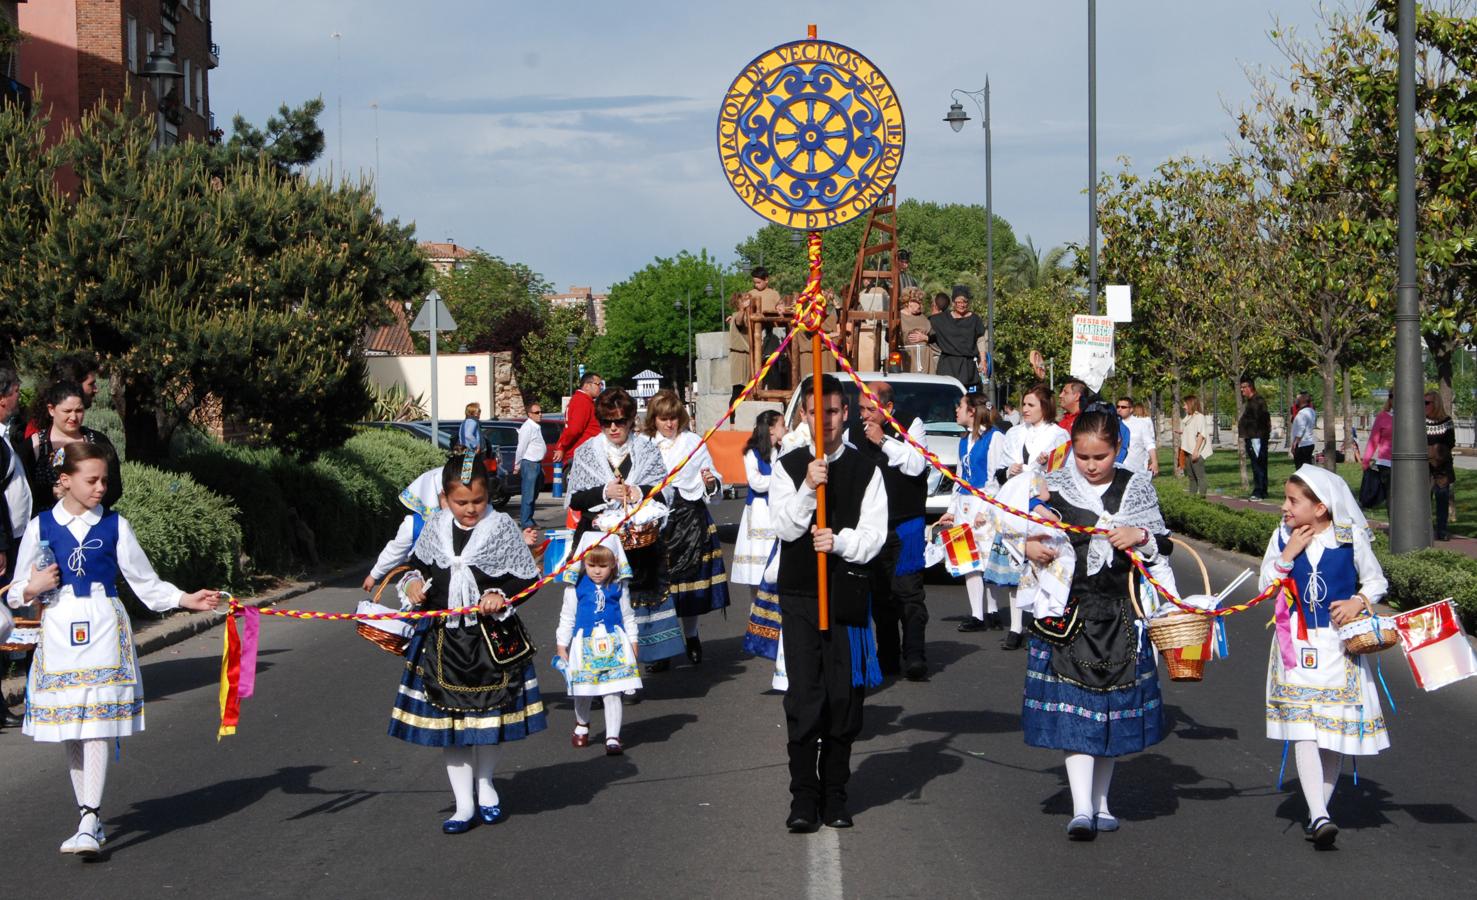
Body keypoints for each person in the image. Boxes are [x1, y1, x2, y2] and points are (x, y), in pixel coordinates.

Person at [7, 443, 221, 856]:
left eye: (104, 479)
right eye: (92, 480)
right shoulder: (40, 527)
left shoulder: (116, 525)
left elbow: (146, 582)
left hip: (104, 626)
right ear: (65, 481)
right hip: (59, 628)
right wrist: (33, 587)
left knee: (97, 724)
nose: (101, 487)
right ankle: (89, 817)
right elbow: (16, 591)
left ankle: (89, 816)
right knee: (72, 726)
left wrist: (184, 599)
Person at [1021, 410, 1176, 840]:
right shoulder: (1055, 488)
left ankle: (1103, 802)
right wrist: (1033, 545)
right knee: (1079, 714)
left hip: (1122, 614)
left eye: (1101, 456)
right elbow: (1028, 532)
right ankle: (1081, 807)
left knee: (1110, 713)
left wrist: (1139, 537)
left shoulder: (1136, 488)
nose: (1091, 465)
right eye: (1083, 455)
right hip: (1069, 613)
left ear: (1118, 451)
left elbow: (1162, 543)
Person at [389, 451, 544, 834]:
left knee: (488, 720)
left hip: (490, 640)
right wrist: (410, 584)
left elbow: (525, 578)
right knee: (451, 727)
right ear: (445, 499)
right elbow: (418, 568)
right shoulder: (435, 526)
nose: (471, 509)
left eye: (478, 501)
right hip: (443, 643)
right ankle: (462, 805)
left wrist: (499, 595)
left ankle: (487, 785)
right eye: (461, 502)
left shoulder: (502, 528)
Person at [770, 375, 887, 832]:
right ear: (804, 414)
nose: (827, 422)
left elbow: (875, 537)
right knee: (805, 698)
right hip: (801, 593)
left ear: (846, 415)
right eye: (818, 413)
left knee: (843, 699)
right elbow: (784, 528)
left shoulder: (866, 469)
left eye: (835, 412)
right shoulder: (789, 464)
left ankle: (836, 793)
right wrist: (806, 486)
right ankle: (804, 796)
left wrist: (839, 542)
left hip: (846, 595)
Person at [1260, 465, 1390, 849]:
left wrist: (1358, 601)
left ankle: (1320, 811)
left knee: (1331, 733)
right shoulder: (1283, 535)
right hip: (1295, 646)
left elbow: (1377, 580)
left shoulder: (1349, 538)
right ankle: (1319, 816)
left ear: (1320, 507)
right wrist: (1287, 554)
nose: (1284, 507)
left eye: (1292, 500)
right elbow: (1265, 585)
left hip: (1337, 647)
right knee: (1303, 729)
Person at [565, 388, 680, 671]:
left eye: (619, 421)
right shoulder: (587, 453)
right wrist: (606, 492)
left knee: (638, 597)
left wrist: (638, 491)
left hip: (640, 542)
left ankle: (646, 657)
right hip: (598, 541)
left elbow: (665, 492)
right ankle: (602, 664)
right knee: (601, 600)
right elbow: (575, 499)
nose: (613, 428)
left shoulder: (646, 449)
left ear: (631, 420)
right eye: (606, 422)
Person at [852, 381, 930, 681]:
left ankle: (915, 656)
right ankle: (887, 656)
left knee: (909, 594)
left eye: (871, 409)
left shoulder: (912, 424)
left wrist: (884, 440)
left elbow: (916, 465)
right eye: (861, 408)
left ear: (888, 408)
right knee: (881, 595)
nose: (865, 416)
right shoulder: (853, 432)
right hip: (874, 526)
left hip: (906, 522)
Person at [644, 390, 728, 665]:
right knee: (659, 589)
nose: (669, 424)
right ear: (654, 419)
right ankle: (662, 647)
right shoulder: (644, 445)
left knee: (688, 586)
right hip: (656, 522)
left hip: (690, 518)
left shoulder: (693, 442)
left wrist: (710, 481)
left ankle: (691, 636)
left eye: (673, 418)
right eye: (663, 419)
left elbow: (712, 474)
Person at [991, 384, 1071, 649]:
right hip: (1016, 506)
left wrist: (1046, 466)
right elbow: (999, 471)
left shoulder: (1058, 435)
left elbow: (1062, 475)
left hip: (1042, 507)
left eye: (1030, 405)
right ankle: (1015, 627)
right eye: (1023, 405)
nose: (1024, 410)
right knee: (1017, 563)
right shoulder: (1014, 433)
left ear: (1045, 407)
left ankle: (1042, 620)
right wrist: (1009, 471)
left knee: (1043, 563)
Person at [556, 541, 641, 755]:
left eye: (603, 566)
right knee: (583, 690)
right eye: (592, 565)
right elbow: (567, 617)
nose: (596, 571)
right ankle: (582, 724)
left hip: (615, 643)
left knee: (613, 691)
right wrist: (561, 645)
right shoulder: (574, 588)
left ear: (613, 565)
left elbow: (628, 615)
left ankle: (613, 736)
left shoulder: (620, 586)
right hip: (584, 644)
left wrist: (633, 641)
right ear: (584, 563)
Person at [941, 394, 1005, 634]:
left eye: (960, 406)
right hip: (964, 506)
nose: (956, 410)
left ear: (972, 411)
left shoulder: (994, 437)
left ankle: (993, 609)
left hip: (982, 503)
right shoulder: (963, 440)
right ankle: (977, 614)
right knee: (968, 560)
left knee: (987, 559)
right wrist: (951, 509)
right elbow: (959, 477)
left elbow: (995, 478)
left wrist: (986, 509)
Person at [19, 381, 123, 512]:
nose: (73, 417)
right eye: (67, 411)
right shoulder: (35, 445)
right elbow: (23, 490)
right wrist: (51, 493)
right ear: (51, 410)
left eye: (79, 410)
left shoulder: (98, 441)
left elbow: (115, 487)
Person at [735, 411, 785, 586]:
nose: (786, 429)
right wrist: (780, 480)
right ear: (771, 429)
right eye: (783, 425)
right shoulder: (752, 453)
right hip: (759, 513)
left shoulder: (782, 450)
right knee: (758, 570)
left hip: (778, 511)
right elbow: (756, 482)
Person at [927, 286, 987, 391]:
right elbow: (926, 327)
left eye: (964, 302)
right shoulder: (942, 319)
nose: (961, 305)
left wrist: (983, 361)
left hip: (967, 365)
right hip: (948, 364)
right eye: (958, 302)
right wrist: (924, 337)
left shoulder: (975, 319)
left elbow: (980, 340)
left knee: (968, 396)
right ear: (953, 302)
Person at [552, 373, 604, 467]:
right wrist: (561, 446)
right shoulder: (582, 401)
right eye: (598, 384)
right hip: (583, 455)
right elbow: (574, 430)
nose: (600, 387)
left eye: (601, 384)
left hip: (585, 453)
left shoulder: (583, 400)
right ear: (587, 386)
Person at [1426, 392, 1456, 541]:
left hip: (1442, 467)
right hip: (1425, 468)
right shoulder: (1421, 421)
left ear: (1436, 404)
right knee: (1425, 499)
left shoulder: (1447, 421)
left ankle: (1442, 530)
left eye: (1427, 403)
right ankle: (1425, 530)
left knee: (1442, 499)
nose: (1424, 406)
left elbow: (1450, 442)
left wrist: (1437, 452)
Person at [514, 403, 547, 528]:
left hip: (537, 463)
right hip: (530, 463)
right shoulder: (527, 427)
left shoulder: (536, 427)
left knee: (534, 494)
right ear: (530, 414)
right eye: (537, 412)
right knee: (528, 494)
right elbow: (521, 447)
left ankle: (529, 518)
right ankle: (526, 522)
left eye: (540, 412)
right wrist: (517, 465)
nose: (540, 414)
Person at [1239, 377, 1272, 501]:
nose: (1242, 390)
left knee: (1257, 465)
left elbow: (1264, 419)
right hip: (1253, 437)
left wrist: (1260, 436)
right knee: (1259, 464)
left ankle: (1258, 492)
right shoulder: (1252, 402)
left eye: (1243, 387)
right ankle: (1263, 490)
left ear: (1250, 388)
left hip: (1256, 438)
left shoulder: (1257, 401)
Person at [1360, 398, 1393, 509]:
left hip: (1406, 462)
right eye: (1392, 396)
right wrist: (1366, 461)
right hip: (1386, 463)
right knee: (1391, 495)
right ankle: (1394, 524)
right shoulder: (1382, 417)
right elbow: (1373, 441)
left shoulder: (1410, 416)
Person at [1180, 395, 1213, 497]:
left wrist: (1196, 451)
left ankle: (1202, 498)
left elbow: (1201, 435)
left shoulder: (1199, 417)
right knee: (1191, 478)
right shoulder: (1189, 417)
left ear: (1191, 404)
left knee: (1200, 476)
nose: (1184, 407)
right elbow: (1191, 431)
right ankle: (1192, 499)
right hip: (1187, 451)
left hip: (1195, 452)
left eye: (1185, 404)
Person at [1117, 398, 1159, 476]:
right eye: (1118, 406)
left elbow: (1149, 444)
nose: (1119, 409)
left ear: (1131, 409)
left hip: (1136, 468)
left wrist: (1154, 461)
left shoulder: (1141, 424)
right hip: (1117, 467)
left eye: (1123, 407)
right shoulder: (1113, 424)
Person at [897, 288, 935, 374]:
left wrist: (925, 337)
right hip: (907, 357)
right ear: (909, 302)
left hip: (924, 358)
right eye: (919, 302)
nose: (921, 305)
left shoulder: (922, 317)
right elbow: (889, 338)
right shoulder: (898, 317)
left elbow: (934, 337)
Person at [1290, 393, 1316, 468]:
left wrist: (1295, 443)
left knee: (1300, 468)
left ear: (1302, 401)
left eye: (1297, 399)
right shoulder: (1311, 411)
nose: (1296, 401)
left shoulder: (1302, 413)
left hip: (1302, 444)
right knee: (1307, 467)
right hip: (1309, 442)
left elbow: (1301, 429)